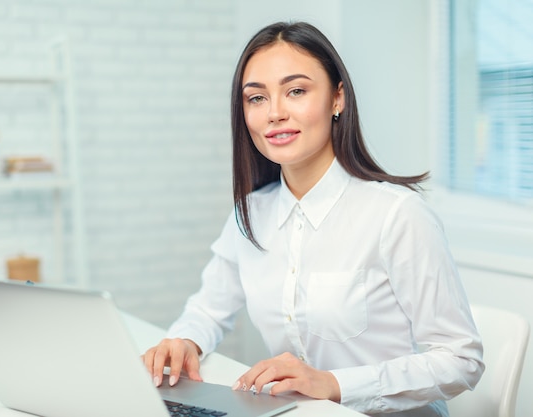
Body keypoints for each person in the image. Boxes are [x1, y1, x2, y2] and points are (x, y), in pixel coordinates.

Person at [142, 21, 484, 417]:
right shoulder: (250, 214)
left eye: (297, 91)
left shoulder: (397, 215)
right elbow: (207, 309)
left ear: (337, 99)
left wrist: (334, 384)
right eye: (256, 99)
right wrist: (185, 341)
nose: (274, 113)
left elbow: (462, 360)